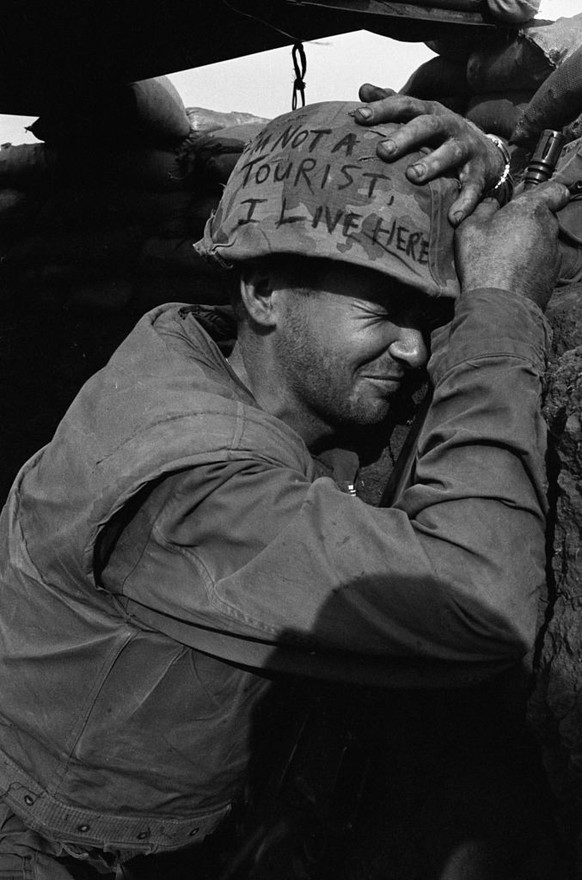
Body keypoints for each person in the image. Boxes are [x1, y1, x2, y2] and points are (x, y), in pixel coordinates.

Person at [0, 99, 570, 879]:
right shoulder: (188, 479)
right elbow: (485, 610)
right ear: (264, 291)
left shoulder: (236, 360)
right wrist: (498, 318)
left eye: (431, 315)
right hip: (66, 852)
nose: (413, 349)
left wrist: (487, 171)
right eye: (383, 309)